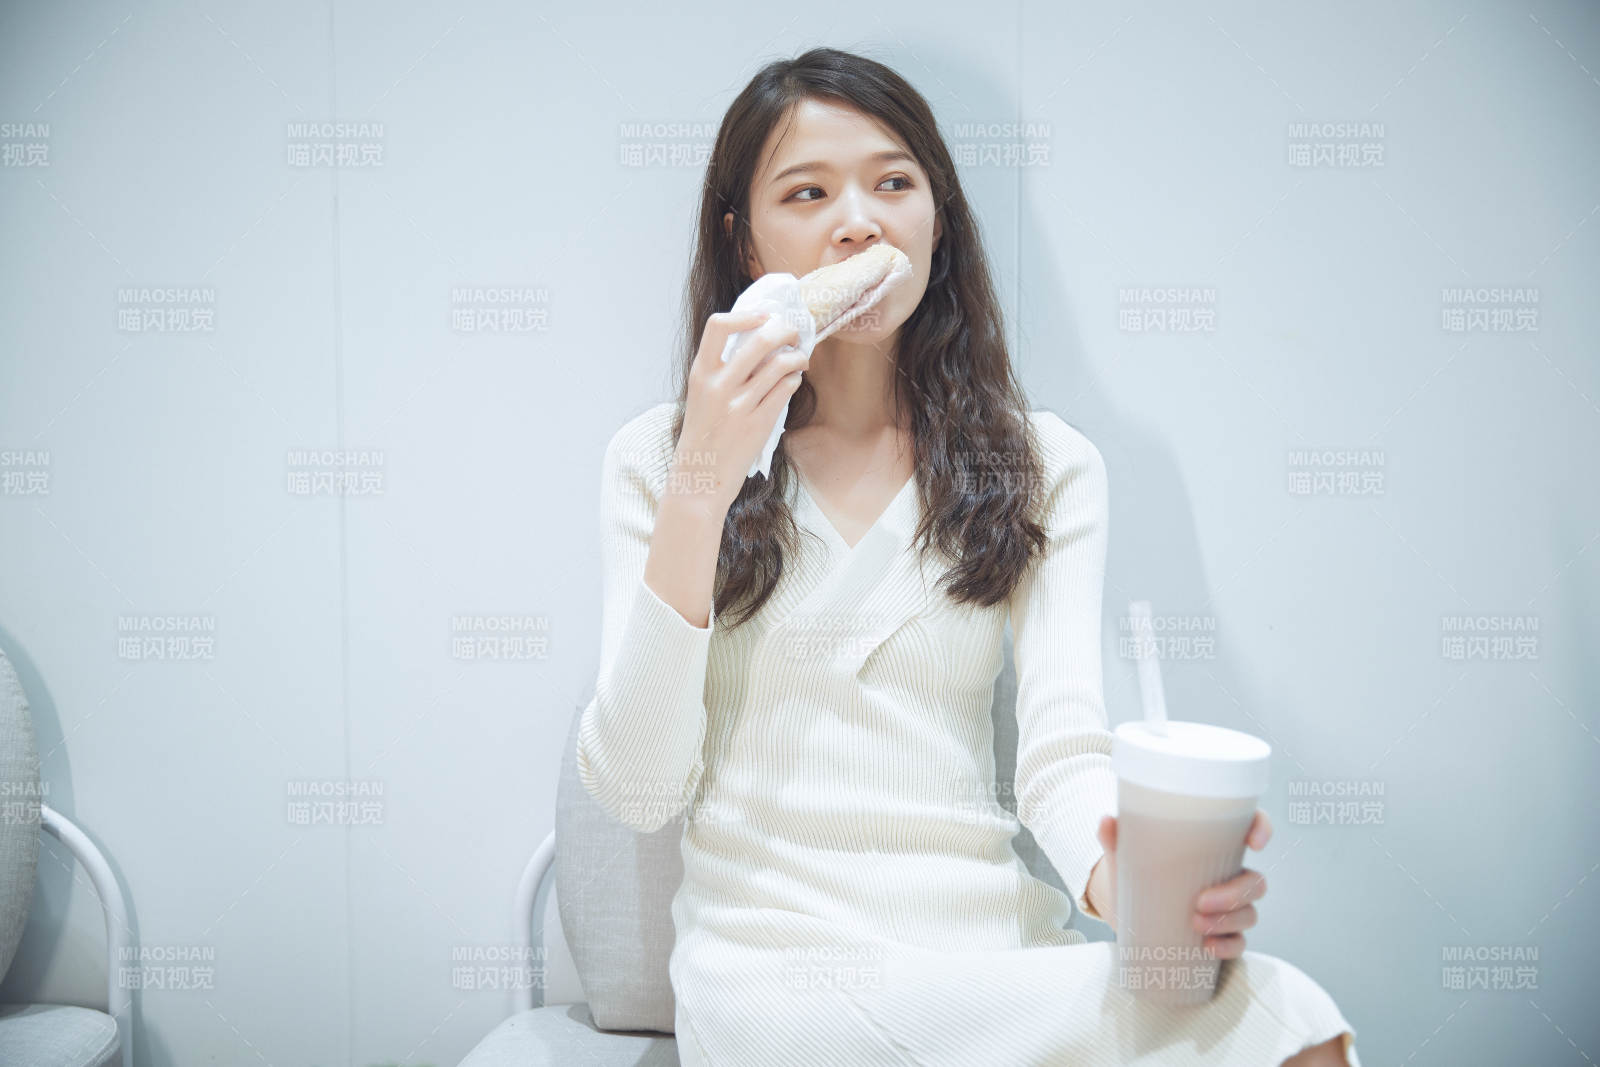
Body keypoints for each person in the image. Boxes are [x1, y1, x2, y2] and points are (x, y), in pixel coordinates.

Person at [577, 46, 1358, 1067]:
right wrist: (705, 479)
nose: (859, 222)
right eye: (807, 193)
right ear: (745, 241)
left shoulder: (1044, 466)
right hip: (778, 977)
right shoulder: (654, 459)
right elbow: (639, 788)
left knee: (1285, 1012)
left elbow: (1063, 759)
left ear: (936, 220)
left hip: (991, 953)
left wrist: (1129, 881)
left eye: (893, 184)